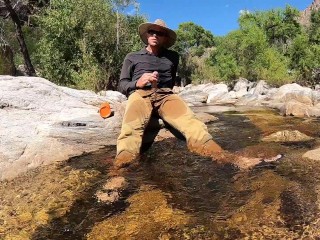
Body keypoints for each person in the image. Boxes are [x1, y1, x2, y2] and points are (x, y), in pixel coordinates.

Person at [114, 19, 226, 169]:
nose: (154, 35)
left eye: (159, 33)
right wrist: (137, 83)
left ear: (165, 37)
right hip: (140, 95)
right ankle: (121, 167)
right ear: (146, 34)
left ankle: (221, 157)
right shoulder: (132, 57)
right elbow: (122, 85)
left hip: (165, 96)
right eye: (151, 32)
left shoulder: (173, 57)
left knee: (192, 124)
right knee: (130, 130)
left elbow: (171, 82)